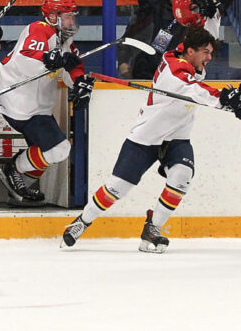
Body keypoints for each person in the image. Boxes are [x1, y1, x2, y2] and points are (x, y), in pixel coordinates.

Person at [61, 26, 241, 252]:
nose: (210, 57)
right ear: (191, 51)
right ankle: (82, 222)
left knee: (182, 176)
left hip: (177, 138)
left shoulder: (183, 56)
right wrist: (225, 98)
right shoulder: (175, 71)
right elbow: (195, 90)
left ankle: (152, 228)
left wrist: (232, 98)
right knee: (116, 188)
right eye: (205, 52)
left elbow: (198, 83)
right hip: (147, 137)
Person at [0, 0, 88, 206]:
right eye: (68, 16)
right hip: (18, 101)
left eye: (73, 16)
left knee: (46, 152)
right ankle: (13, 170)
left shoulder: (64, 40)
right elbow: (26, 58)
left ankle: (18, 188)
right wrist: (49, 58)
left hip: (35, 105)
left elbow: (72, 65)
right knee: (58, 149)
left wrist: (80, 83)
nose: (72, 21)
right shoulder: (39, 28)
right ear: (53, 16)